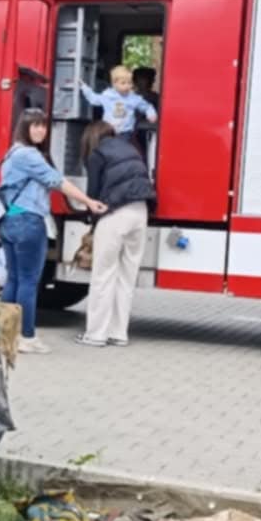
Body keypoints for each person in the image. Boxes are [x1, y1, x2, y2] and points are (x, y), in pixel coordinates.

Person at [0, 111, 103, 354]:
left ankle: (5, 335)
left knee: (13, 279)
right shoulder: (29, 155)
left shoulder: (12, 152)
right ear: (24, 127)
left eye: (43, 126)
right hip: (28, 222)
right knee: (27, 282)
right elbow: (57, 181)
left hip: (9, 221)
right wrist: (88, 201)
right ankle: (26, 336)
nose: (40, 130)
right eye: (34, 126)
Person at [77, 119, 155, 349]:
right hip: (140, 212)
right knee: (126, 276)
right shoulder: (131, 149)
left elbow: (93, 196)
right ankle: (118, 333)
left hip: (115, 214)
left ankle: (96, 334)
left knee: (103, 275)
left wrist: (92, 225)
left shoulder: (97, 155)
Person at [79, 65, 158, 140]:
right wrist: (84, 87)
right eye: (123, 83)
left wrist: (151, 113)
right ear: (114, 84)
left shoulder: (134, 98)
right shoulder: (107, 95)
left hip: (126, 132)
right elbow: (94, 99)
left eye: (129, 83)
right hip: (108, 131)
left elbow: (146, 106)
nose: (127, 86)